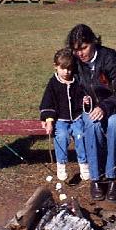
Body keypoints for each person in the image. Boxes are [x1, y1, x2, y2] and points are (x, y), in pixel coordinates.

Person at [66, 24, 116, 202]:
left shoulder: (111, 58)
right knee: (92, 123)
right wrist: (82, 99)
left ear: (94, 43)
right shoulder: (75, 62)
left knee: (114, 124)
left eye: (84, 48)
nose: (81, 53)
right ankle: (96, 178)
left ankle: (114, 178)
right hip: (91, 110)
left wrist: (105, 106)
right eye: (76, 50)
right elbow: (66, 86)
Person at [39, 48, 90, 182]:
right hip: (60, 119)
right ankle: (61, 164)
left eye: (69, 69)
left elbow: (83, 97)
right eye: (63, 68)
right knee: (61, 136)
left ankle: (84, 164)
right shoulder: (53, 83)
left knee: (81, 135)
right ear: (56, 67)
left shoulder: (76, 81)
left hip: (77, 118)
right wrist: (49, 120)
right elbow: (47, 102)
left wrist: (85, 101)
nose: (66, 72)